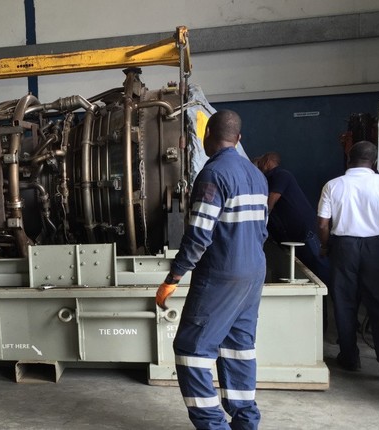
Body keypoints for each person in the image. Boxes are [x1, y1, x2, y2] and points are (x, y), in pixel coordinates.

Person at [156, 110, 268, 429]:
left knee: (191, 350)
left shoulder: (213, 175)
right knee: (238, 349)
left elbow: (198, 236)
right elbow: (263, 229)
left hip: (221, 274)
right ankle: (246, 422)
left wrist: (173, 278)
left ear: (206, 138)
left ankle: (213, 425)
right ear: (238, 139)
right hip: (253, 271)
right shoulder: (257, 175)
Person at [317, 140, 379, 382]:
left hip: (343, 248)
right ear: (374, 161)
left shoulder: (333, 186)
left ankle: (350, 357)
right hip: (377, 248)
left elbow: (323, 224)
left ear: (348, 157)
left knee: (345, 304)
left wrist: (325, 246)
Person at [254, 152, 332, 330]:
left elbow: (270, 204)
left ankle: (322, 325)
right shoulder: (269, 180)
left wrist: (255, 227)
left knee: (319, 279)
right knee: (303, 277)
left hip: (306, 236)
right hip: (291, 239)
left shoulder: (281, 176)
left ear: (267, 162)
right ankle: (307, 323)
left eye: (258, 165)